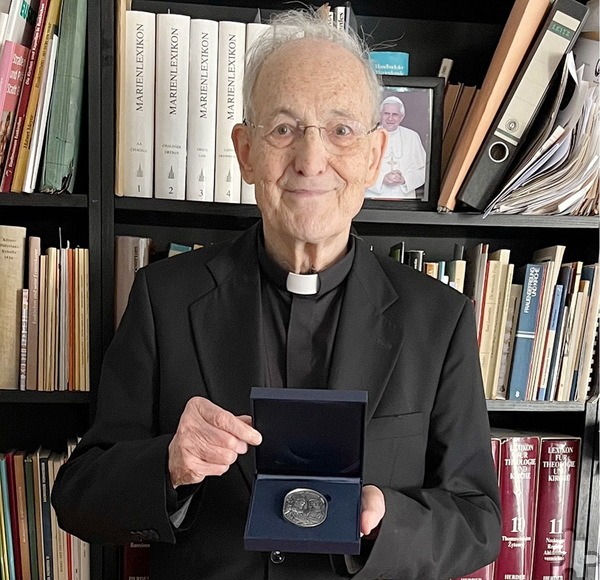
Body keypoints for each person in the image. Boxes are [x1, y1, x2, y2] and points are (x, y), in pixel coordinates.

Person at [52, 9, 500, 580]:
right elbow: (80, 495)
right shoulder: (164, 297)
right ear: (245, 152)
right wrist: (168, 464)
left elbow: (478, 520)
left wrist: (389, 519)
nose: (311, 160)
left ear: (374, 155)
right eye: (283, 129)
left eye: (341, 130)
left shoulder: (439, 318)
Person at [366, 96, 427, 199]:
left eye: (395, 114)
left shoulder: (412, 137)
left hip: (404, 198)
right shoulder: (369, 137)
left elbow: (423, 171)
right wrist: (382, 179)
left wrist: (404, 180)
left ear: (401, 117)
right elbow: (359, 170)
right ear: (380, 115)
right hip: (373, 198)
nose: (390, 118)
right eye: (386, 114)